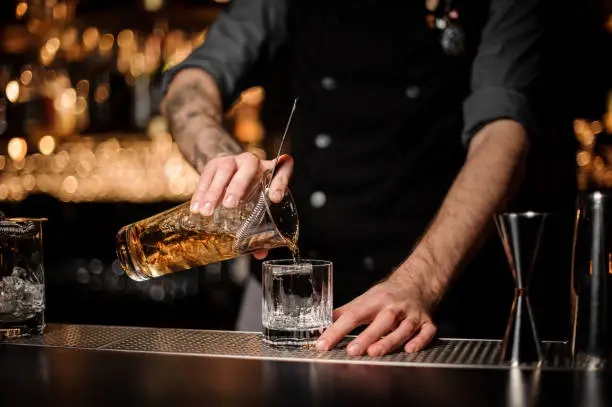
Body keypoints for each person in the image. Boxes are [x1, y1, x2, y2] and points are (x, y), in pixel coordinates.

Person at [161, 0, 541, 357]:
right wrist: (223, 159)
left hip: (435, 288)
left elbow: (503, 133)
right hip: (293, 294)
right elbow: (192, 83)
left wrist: (421, 282)